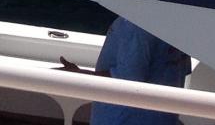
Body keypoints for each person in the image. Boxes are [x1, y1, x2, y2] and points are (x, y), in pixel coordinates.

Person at [61, 17, 192, 125]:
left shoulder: (133, 25)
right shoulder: (176, 23)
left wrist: (78, 75)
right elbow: (181, 70)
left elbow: (128, 82)